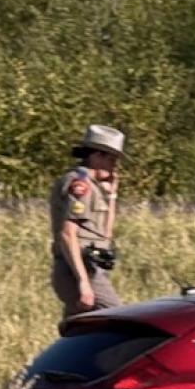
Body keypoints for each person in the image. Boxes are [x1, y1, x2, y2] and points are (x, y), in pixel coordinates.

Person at [49, 125, 124, 323]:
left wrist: (112, 195)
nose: (114, 166)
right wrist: (83, 282)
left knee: (80, 333)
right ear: (96, 156)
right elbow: (68, 234)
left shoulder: (95, 187)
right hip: (80, 268)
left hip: (93, 267)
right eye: (111, 159)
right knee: (120, 321)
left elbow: (105, 235)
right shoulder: (80, 185)